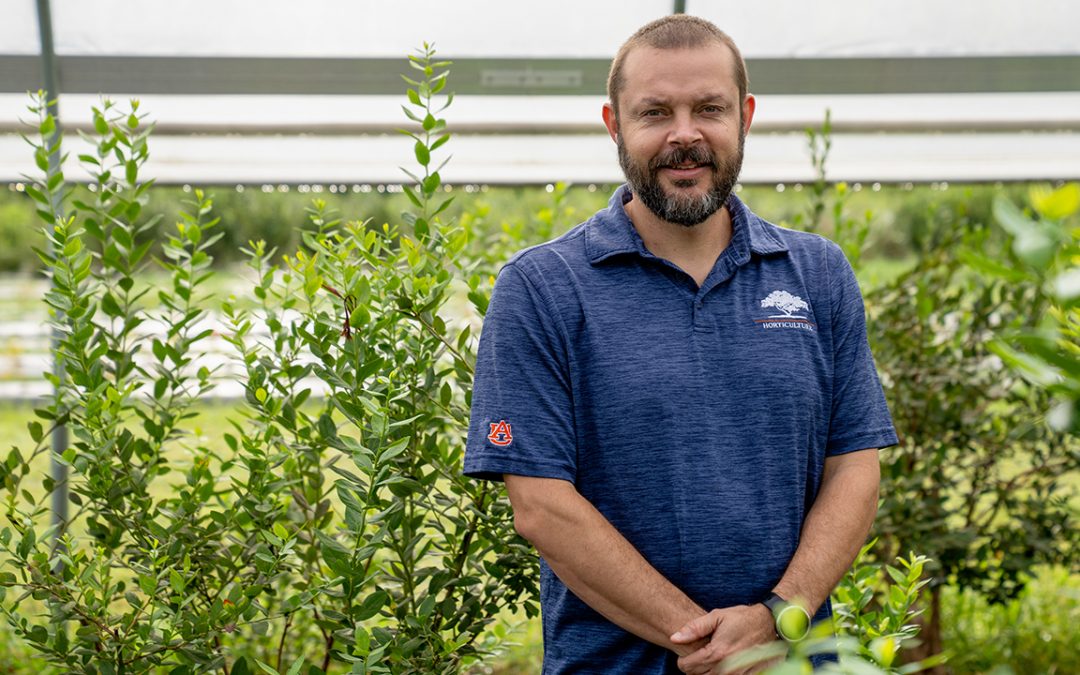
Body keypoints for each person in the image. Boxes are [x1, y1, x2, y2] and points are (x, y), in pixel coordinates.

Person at [464, 14, 898, 674]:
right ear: (615, 125)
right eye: (655, 112)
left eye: (709, 109)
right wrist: (710, 643)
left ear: (744, 118)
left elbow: (854, 469)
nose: (685, 135)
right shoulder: (543, 287)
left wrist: (781, 614)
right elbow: (542, 507)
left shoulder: (816, 272)